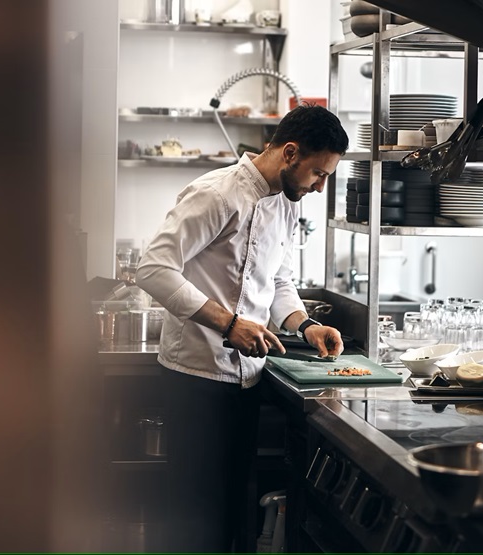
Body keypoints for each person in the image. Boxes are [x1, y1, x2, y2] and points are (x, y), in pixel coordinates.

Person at [135, 105, 349, 552]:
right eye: (318, 173)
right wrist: (228, 324)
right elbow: (153, 268)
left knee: (231, 515)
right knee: (191, 516)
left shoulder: (287, 203)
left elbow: (277, 279)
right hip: (194, 376)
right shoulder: (216, 193)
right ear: (290, 152)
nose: (320, 186)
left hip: (247, 380)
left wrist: (304, 324)